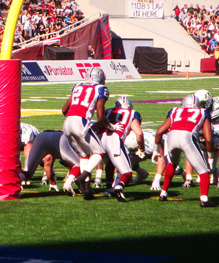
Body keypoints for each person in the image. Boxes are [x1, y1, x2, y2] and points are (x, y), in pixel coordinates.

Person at [153, 94, 217, 207]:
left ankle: (163, 193)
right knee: (203, 171)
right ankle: (204, 199)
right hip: (187, 137)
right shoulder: (203, 112)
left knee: (172, 164)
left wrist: (156, 150)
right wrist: (211, 156)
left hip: (171, 137)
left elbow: (159, 131)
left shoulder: (174, 110)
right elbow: (208, 138)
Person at [61, 67, 110, 200]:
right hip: (80, 122)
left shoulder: (78, 85)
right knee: (99, 152)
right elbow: (100, 116)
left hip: (67, 123)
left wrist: (72, 119)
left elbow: (64, 109)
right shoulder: (101, 89)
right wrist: (109, 125)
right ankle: (82, 178)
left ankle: (87, 189)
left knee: (83, 155)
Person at [96, 96, 145, 202]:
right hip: (115, 139)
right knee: (127, 172)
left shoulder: (109, 111)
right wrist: (141, 149)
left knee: (110, 162)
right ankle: (120, 186)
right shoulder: (132, 113)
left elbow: (98, 124)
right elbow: (139, 133)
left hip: (101, 138)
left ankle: (108, 188)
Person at [19, 130, 81, 195]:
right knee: (78, 164)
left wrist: (52, 183)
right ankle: (68, 183)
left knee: (27, 172)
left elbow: (47, 164)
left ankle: (11, 179)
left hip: (42, 136)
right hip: (59, 138)